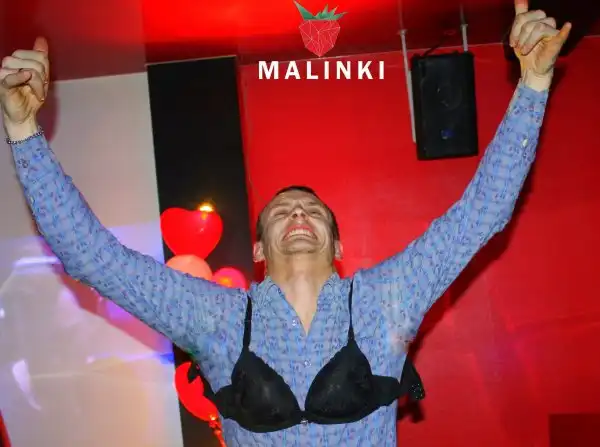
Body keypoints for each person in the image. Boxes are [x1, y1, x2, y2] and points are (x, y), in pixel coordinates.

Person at [1, 1, 570, 445]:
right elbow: (91, 257)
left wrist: (534, 85)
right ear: (257, 248)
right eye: (281, 210)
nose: (298, 213)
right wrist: (24, 132)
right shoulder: (216, 318)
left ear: (337, 242)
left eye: (312, 210)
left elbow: (482, 213)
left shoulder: (387, 300)